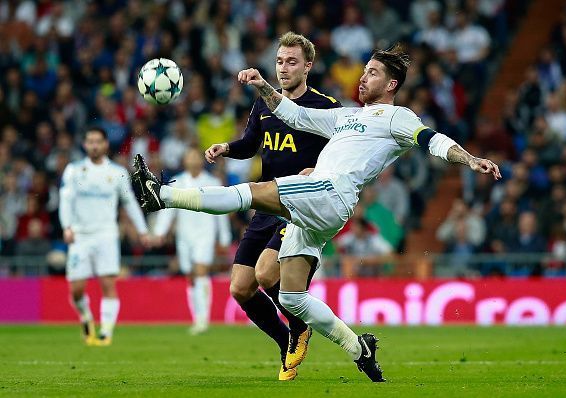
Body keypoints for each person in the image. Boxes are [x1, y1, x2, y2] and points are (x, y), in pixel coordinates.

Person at [133, 43, 501, 382]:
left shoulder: (396, 117)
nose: (363, 76)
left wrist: (468, 158)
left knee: (249, 193)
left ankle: (162, 195)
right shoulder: (343, 117)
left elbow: (431, 140)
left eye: (372, 72)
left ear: (391, 84)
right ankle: (359, 348)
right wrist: (262, 84)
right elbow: (291, 113)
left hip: (330, 193)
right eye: (365, 70)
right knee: (292, 298)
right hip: (320, 207)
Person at [203, 31, 342, 381]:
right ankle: (286, 341)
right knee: (240, 288)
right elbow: (251, 143)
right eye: (279, 61)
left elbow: (345, 152)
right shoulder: (264, 104)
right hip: (266, 204)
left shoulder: (326, 107)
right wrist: (226, 147)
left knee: (267, 273)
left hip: (298, 206)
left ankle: (298, 324)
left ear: (308, 66)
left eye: (292, 61)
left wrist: (321, 169)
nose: (283, 68)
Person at [59, 127, 149, 346]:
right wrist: (67, 227)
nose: (94, 145)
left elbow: (129, 203)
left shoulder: (117, 172)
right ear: (84, 145)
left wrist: (143, 230)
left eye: (98, 141)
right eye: (90, 141)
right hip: (80, 235)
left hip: (107, 235)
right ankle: (86, 317)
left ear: (105, 144)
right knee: (76, 290)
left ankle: (105, 333)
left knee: (108, 284)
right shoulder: (74, 170)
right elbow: (66, 200)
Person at [152, 148, 231, 334]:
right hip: (184, 235)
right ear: (184, 160)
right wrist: (159, 232)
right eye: (189, 156)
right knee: (190, 277)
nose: (193, 159)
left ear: (201, 160)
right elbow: (169, 210)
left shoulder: (212, 182)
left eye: (196, 156)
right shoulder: (177, 182)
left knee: (200, 272)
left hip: (205, 233)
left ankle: (204, 319)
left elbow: (222, 212)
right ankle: (196, 317)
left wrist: (224, 237)